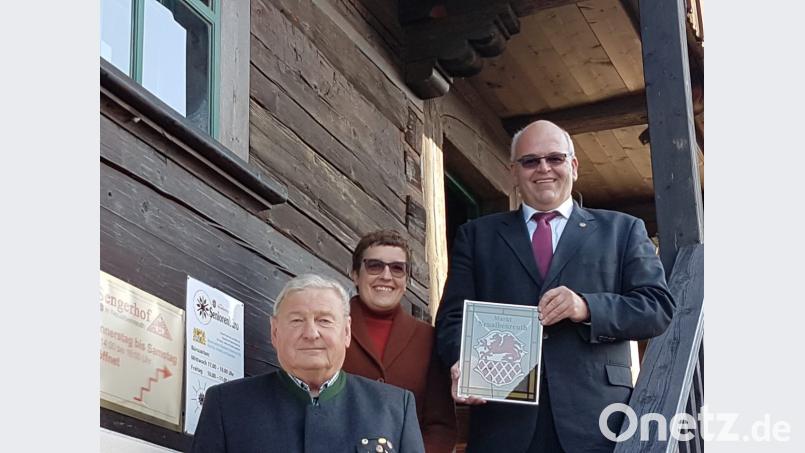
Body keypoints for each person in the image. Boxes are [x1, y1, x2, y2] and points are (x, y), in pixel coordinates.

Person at [434, 120, 675, 453]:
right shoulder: (477, 236)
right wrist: (463, 361)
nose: (543, 168)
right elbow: (451, 320)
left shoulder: (622, 230)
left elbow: (657, 309)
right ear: (513, 172)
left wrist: (587, 307)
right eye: (530, 161)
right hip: (504, 420)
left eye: (555, 159)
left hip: (597, 420)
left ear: (573, 166)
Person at [190, 274, 426, 453]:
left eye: (324, 320)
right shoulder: (227, 405)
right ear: (274, 332)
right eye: (296, 320)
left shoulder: (395, 408)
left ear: (346, 332)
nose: (311, 333)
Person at [342, 230, 457, 453]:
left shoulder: (429, 338)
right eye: (375, 266)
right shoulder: (331, 329)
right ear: (355, 274)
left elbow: (440, 425)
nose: (386, 276)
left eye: (397, 268)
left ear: (406, 280)